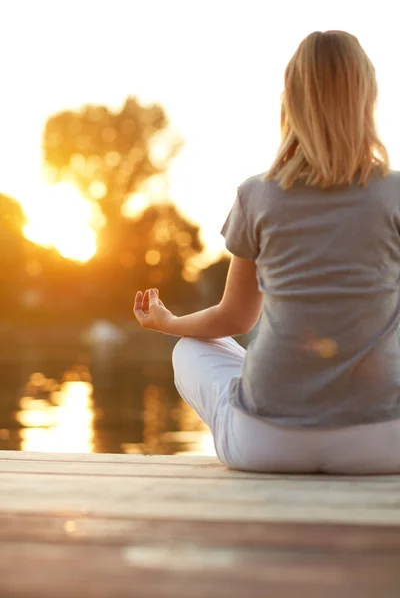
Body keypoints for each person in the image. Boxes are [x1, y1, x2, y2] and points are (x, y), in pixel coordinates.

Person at [134, 30, 400, 474]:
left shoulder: (257, 194)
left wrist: (168, 323)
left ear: (292, 102)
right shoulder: (395, 193)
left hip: (266, 443)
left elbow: (236, 320)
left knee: (190, 349)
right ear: (366, 99)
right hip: (385, 445)